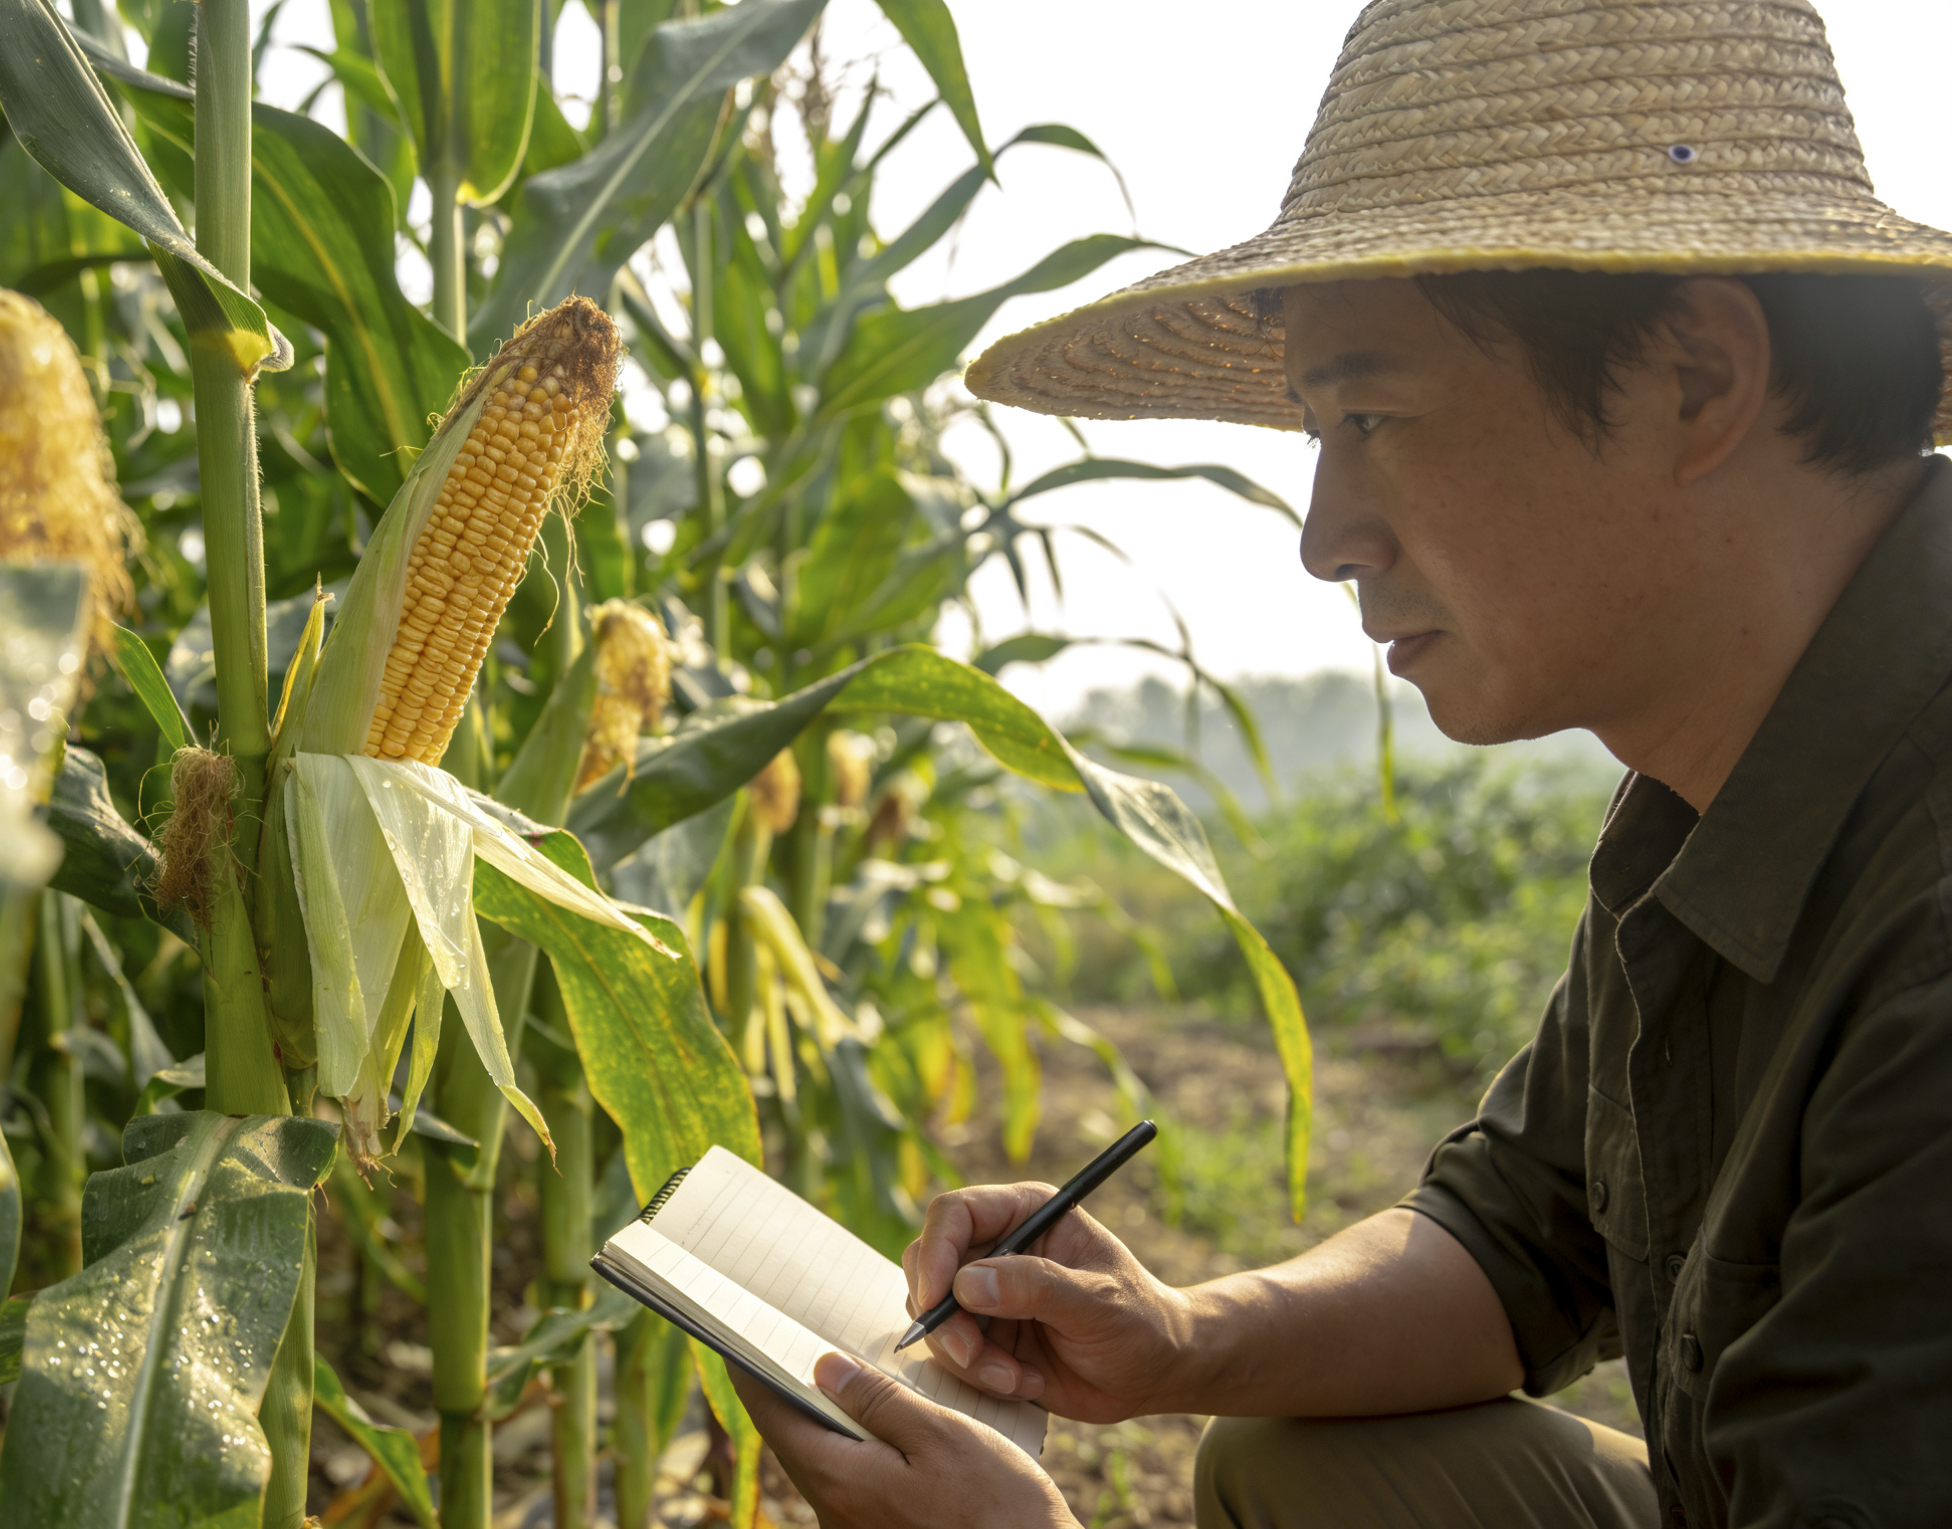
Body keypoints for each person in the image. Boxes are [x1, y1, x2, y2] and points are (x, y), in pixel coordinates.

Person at [730, 2, 1952, 1525]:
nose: (1324, 537)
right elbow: (1524, 1236)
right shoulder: (1726, 790)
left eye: (1372, 414)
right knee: (1304, 1456)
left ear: (1695, 379)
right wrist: (1176, 1342)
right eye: (1317, 429)